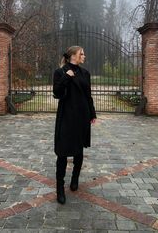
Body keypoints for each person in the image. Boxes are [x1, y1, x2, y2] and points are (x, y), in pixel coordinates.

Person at [53, 45, 96, 204]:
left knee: (78, 150)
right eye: (82, 54)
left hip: (82, 117)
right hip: (66, 117)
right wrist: (66, 77)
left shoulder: (85, 73)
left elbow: (88, 96)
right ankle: (59, 189)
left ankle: (75, 179)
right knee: (62, 153)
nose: (84, 56)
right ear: (73, 55)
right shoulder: (60, 72)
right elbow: (56, 93)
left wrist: (92, 113)